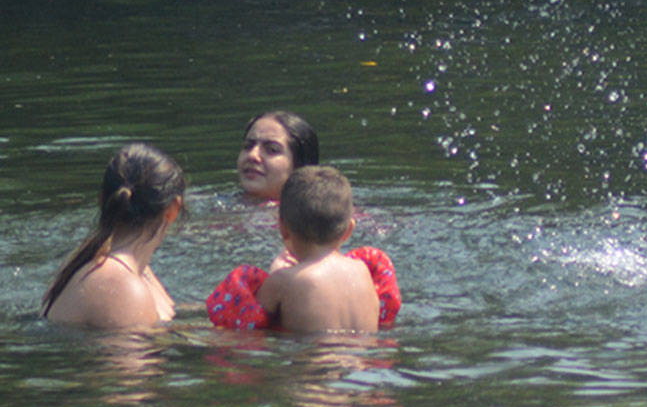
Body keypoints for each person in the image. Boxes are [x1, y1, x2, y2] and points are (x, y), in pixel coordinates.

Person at [206, 165, 402, 333]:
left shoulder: (283, 281)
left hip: (310, 369)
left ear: (283, 229)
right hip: (364, 369)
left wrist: (276, 272)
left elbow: (245, 325)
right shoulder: (364, 271)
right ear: (349, 229)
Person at [41, 143, 187, 329]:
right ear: (173, 210)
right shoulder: (123, 288)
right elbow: (131, 356)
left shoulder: (94, 258)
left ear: (101, 199)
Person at [238, 111, 319, 202]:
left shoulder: (315, 214)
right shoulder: (223, 205)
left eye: (272, 150)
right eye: (248, 146)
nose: (252, 155)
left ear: (300, 167)